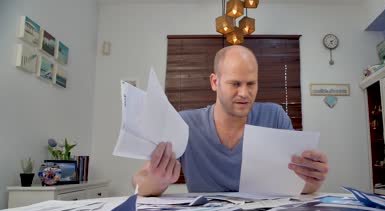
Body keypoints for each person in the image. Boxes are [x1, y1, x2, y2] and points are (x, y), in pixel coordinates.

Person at [133, 45, 329, 196]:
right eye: (235, 83)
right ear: (214, 82)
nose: (244, 93)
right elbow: (139, 180)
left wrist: (313, 180)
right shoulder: (186, 123)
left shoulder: (274, 116)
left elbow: (300, 187)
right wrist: (155, 182)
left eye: (251, 83)